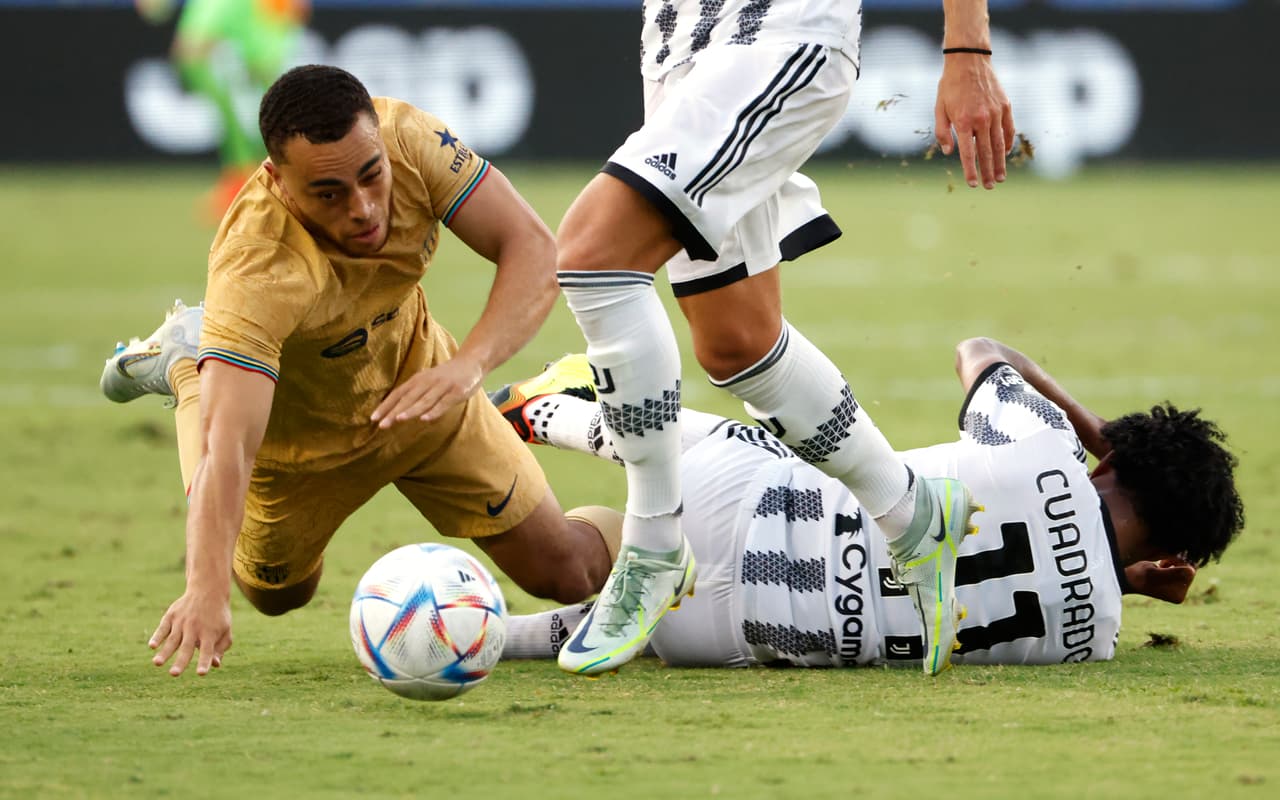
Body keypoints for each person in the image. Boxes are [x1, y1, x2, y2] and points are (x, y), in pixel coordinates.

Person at [100, 65, 617, 679]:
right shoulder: (255, 266)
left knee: (567, 573)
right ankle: (191, 364)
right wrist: (204, 591)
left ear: (378, 139)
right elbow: (229, 449)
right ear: (277, 179)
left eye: (372, 176)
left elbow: (533, 246)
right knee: (277, 594)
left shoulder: (412, 140)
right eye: (328, 193)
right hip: (298, 449)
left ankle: (684, 554)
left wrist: (468, 364)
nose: (365, 207)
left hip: (424, 392)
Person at [551, 0, 1016, 676]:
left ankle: (653, 546)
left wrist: (967, 48)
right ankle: (911, 510)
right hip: (681, 49)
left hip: (775, 33)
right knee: (738, 342)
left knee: (594, 257)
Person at [491, 338, 1244, 668]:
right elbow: (1056, 570)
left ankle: (545, 413)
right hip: (729, 639)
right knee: (614, 558)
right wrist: (1130, 576)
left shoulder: (1045, 441)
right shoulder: (1095, 639)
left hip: (740, 501)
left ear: (1110, 458)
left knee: (762, 447)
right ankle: (491, 638)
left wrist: (1095, 427)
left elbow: (982, 350)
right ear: (1170, 556)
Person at [135, 0, 311, 218]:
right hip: (246, 44)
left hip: (260, 43)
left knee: (261, 118)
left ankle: (263, 188)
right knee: (245, 121)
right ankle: (247, 185)